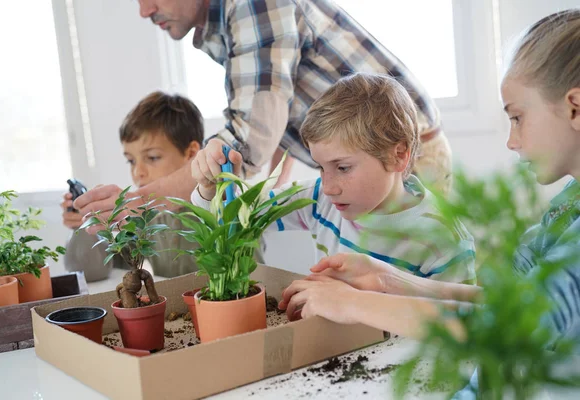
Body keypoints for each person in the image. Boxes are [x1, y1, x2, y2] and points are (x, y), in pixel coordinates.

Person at [278, 9, 580, 354]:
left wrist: (353, 304)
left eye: (517, 117)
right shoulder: (571, 201)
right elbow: (505, 298)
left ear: (575, 107)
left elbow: (519, 326)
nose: (511, 141)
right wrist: (387, 279)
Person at [74, 0, 453, 227]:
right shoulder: (233, 18)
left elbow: (246, 140)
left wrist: (138, 203)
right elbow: (271, 114)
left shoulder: (254, 4)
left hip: (401, 164)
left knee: (417, 299)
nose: (144, 10)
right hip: (374, 165)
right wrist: (264, 186)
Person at [191, 73, 476, 282]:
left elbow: (459, 333)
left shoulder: (444, 238)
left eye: (342, 168)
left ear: (398, 154)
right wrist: (208, 186)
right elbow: (236, 216)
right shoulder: (319, 200)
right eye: (320, 167)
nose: (328, 187)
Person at [62, 91, 203, 281]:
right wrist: (87, 226)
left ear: (191, 153)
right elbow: (96, 270)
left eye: (152, 157)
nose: (138, 172)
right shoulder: (141, 217)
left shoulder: (221, 203)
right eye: (131, 161)